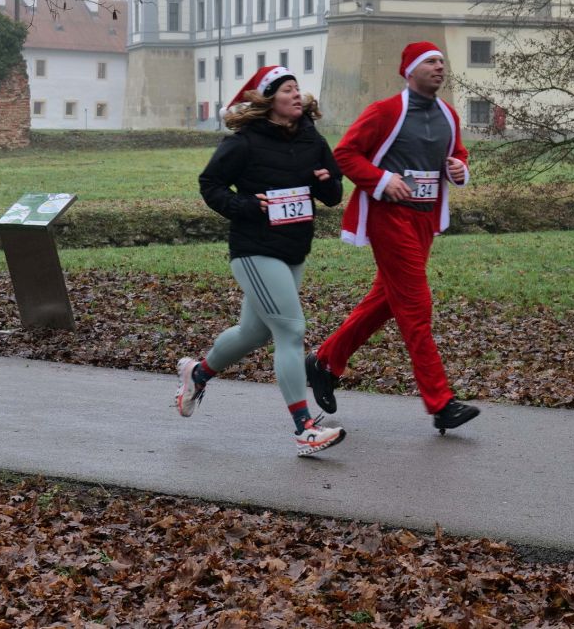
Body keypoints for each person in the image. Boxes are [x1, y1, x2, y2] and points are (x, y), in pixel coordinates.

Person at [304, 41, 480, 433]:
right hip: (389, 218)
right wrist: (382, 181)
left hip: (423, 221)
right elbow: (345, 155)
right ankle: (441, 402)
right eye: (431, 62)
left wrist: (458, 168)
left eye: (441, 62)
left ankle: (324, 361)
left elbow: (460, 155)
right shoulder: (384, 112)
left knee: (386, 300)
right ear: (410, 70)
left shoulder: (448, 114)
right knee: (416, 307)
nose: (439, 68)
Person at [177, 64, 347, 456]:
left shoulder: (311, 138)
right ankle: (304, 428)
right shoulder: (244, 142)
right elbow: (210, 185)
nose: (295, 95)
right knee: (291, 330)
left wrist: (326, 182)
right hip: (254, 248)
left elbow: (334, 193)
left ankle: (197, 373)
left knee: (253, 332)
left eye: (297, 88)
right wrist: (247, 205)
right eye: (287, 89)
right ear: (270, 100)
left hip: (293, 248)